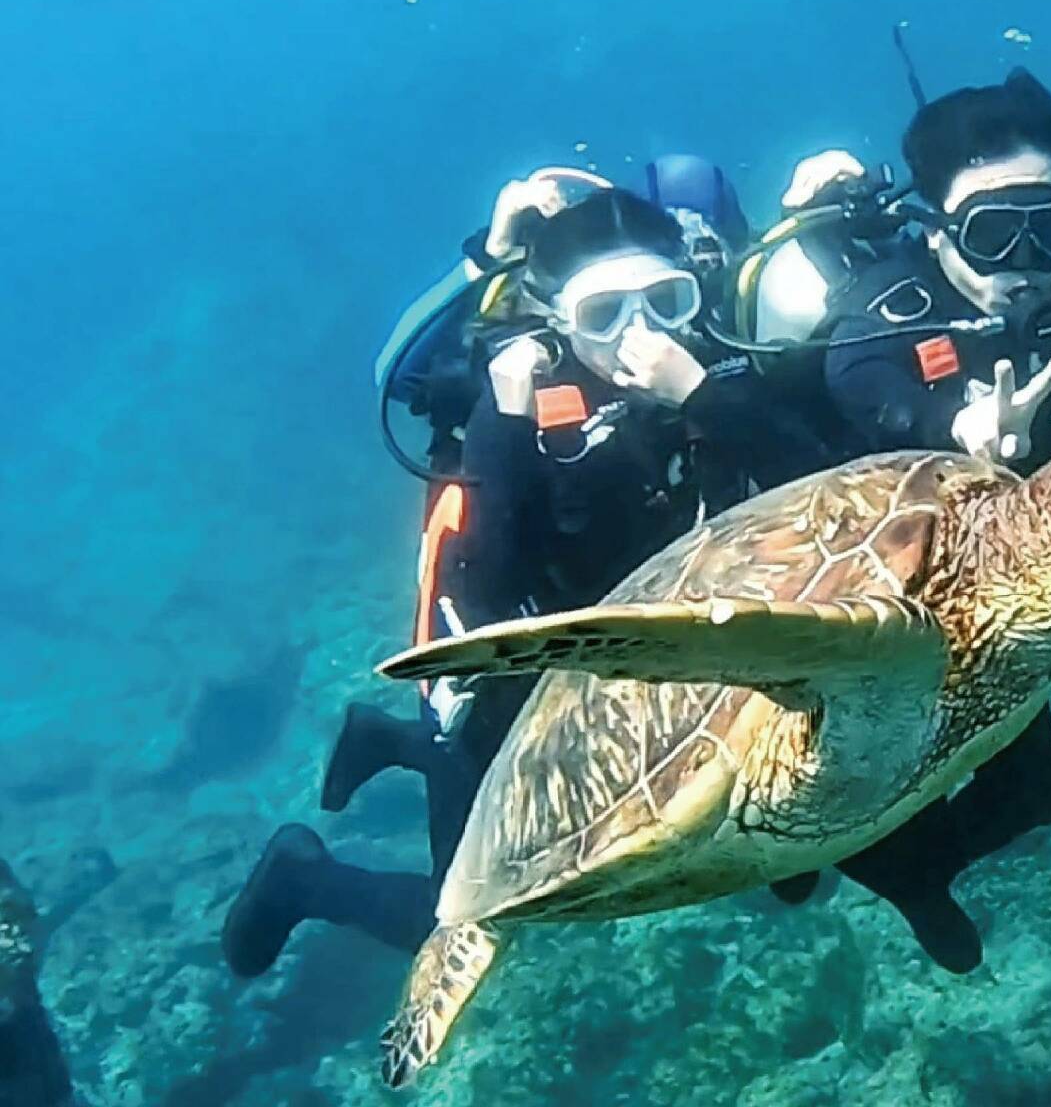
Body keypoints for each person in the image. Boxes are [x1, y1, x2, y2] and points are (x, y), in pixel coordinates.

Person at [222, 178, 833, 977]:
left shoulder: (709, 374)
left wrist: (705, 397)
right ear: (554, 318)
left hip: (654, 649)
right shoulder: (517, 403)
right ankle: (301, 878)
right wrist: (505, 427)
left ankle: (385, 742)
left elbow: (822, 487)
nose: (637, 335)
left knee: (795, 870)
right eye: (603, 314)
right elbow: (483, 596)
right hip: (511, 660)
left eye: (664, 301)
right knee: (464, 912)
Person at [739, 69, 1051, 968]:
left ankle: (906, 871)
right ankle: (810, 844)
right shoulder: (885, 310)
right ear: (939, 226)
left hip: (994, 586)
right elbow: (852, 385)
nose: (1022, 261)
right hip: (843, 588)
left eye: (1049, 230)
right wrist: (954, 432)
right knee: (813, 787)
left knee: (1031, 799)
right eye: (990, 232)